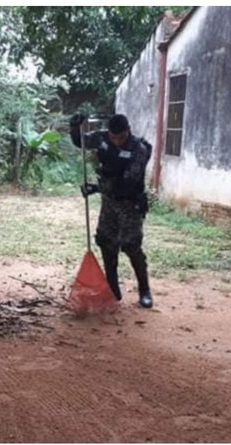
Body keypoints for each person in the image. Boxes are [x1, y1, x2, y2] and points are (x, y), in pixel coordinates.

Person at [69, 113, 153, 308]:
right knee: (106, 243)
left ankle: (144, 289)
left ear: (128, 131)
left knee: (131, 246)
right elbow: (80, 142)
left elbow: (127, 183)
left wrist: (96, 188)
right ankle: (113, 289)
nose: (116, 141)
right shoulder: (103, 137)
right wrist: (74, 127)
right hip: (109, 204)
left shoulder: (138, 149)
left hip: (129, 203)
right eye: (113, 137)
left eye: (120, 138)